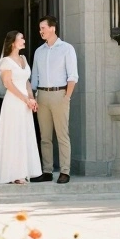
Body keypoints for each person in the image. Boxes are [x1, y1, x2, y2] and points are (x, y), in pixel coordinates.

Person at [0, 31, 42, 184]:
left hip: (25, 103)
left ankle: (23, 171)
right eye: (21, 38)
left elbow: (26, 81)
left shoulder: (23, 59)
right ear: (13, 43)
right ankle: (12, 174)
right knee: (14, 136)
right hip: (13, 103)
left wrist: (31, 98)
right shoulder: (6, 61)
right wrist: (25, 99)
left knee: (24, 135)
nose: (24, 40)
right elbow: (8, 84)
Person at [30, 15, 78, 184]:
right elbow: (34, 77)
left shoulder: (67, 49)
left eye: (43, 28)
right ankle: (47, 171)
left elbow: (73, 76)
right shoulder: (38, 51)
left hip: (60, 94)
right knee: (45, 136)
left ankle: (65, 171)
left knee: (62, 135)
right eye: (40, 28)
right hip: (42, 95)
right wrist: (33, 97)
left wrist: (67, 97)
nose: (40, 31)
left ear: (52, 28)